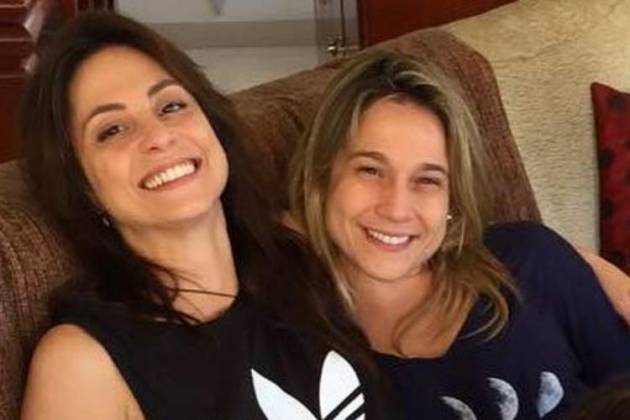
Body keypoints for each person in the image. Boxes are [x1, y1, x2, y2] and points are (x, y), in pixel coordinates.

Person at [19, 13, 385, 420]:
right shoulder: (82, 366)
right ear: (83, 187)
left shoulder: (297, 256)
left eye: (171, 105)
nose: (159, 136)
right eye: (112, 130)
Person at [288, 51, 630, 419]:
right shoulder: (295, 348)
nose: (396, 208)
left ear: (452, 198)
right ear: (320, 177)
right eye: (370, 170)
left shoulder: (530, 262)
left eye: (427, 180)